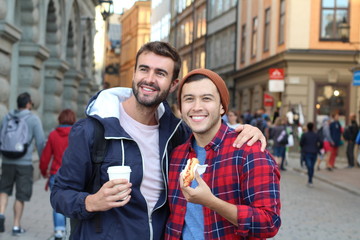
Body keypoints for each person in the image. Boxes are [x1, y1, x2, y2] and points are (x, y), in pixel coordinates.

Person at [50, 41, 267, 240]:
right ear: (134, 73)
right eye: (144, 69)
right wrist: (91, 202)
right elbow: (59, 194)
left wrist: (247, 130)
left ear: (173, 84)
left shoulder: (177, 134)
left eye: (160, 73)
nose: (150, 79)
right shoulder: (92, 130)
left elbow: (210, 128)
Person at [165, 69, 281, 239]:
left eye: (206, 98)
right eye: (189, 99)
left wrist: (212, 202)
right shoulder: (177, 155)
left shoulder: (248, 150)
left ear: (221, 107)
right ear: (181, 108)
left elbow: (269, 223)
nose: (197, 107)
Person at [0, 92, 45, 235]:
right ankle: (16, 226)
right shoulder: (33, 119)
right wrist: (42, 161)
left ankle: (1, 214)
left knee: (4, 189)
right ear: (28, 104)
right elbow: (40, 141)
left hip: (7, 159)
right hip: (24, 163)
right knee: (21, 194)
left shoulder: (7, 117)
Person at [39, 109, 76, 240]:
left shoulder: (53, 135)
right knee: (71, 201)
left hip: (56, 173)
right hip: (73, 174)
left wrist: (43, 171)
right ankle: (69, 230)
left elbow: (46, 156)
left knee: (57, 202)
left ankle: (58, 231)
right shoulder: (76, 133)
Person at [300, 122, 323, 187]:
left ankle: (310, 179)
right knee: (311, 166)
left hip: (307, 152)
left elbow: (301, 143)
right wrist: (318, 148)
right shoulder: (316, 135)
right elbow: (321, 142)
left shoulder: (305, 134)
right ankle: (310, 179)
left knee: (309, 166)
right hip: (314, 152)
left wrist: (303, 148)